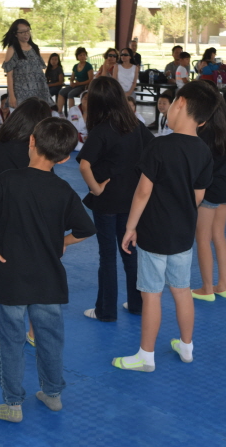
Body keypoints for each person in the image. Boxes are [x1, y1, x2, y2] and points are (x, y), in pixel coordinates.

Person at [0, 117, 96, 423]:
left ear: (31, 141)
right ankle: (52, 394)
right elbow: (86, 229)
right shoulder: (64, 190)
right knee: (50, 339)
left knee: (11, 342)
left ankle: (13, 404)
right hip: (48, 280)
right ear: (64, 158)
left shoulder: (7, 180)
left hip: (11, 278)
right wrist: (61, 242)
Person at [113, 81, 218, 372]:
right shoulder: (204, 151)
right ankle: (186, 347)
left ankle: (146, 355)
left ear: (179, 103)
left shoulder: (159, 145)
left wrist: (130, 226)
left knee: (152, 294)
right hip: (183, 234)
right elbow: (199, 196)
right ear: (203, 120)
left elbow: (143, 192)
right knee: (182, 290)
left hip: (154, 232)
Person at [0, 98, 52, 350]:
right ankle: (34, 334)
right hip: (40, 225)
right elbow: (50, 191)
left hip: (5, 225)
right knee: (38, 279)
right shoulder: (42, 153)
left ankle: (10, 339)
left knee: (9, 285)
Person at [79, 76, 154, 321]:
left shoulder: (101, 130)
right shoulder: (135, 124)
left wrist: (96, 189)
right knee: (130, 251)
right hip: (132, 201)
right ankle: (137, 304)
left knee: (108, 255)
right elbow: (153, 150)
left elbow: (84, 165)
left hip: (107, 202)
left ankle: (106, 310)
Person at [191, 94, 226, 301]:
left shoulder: (206, 132)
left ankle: (206, 288)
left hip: (210, 188)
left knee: (203, 237)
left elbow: (200, 164)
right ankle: (223, 285)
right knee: (219, 235)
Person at [1, 19, 48, 108]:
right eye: (22, 32)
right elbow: (9, 75)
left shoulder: (35, 48)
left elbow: (39, 72)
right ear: (15, 34)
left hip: (38, 91)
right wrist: (11, 96)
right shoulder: (12, 50)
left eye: (28, 30)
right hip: (21, 93)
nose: (26, 34)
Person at [57, 47, 92, 112]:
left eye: (84, 55)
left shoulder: (88, 66)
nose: (82, 57)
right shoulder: (75, 66)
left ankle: (72, 113)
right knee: (61, 92)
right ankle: (59, 112)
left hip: (84, 86)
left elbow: (90, 79)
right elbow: (72, 77)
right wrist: (71, 82)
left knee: (71, 94)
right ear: (77, 56)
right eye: (80, 55)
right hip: (76, 85)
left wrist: (79, 83)